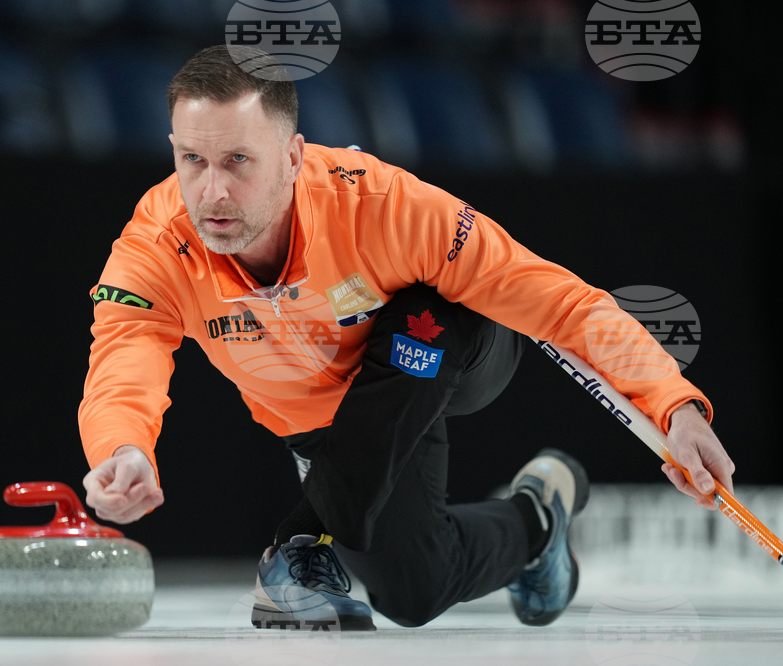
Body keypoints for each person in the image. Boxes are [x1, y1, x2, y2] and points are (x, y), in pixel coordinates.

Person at [79, 45, 734, 631]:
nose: (212, 191)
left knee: (420, 318)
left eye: (238, 162)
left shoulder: (385, 208)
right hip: (334, 421)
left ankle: (300, 542)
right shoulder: (157, 241)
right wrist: (124, 447)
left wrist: (672, 406)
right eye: (193, 160)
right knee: (413, 592)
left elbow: (562, 304)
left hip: (455, 349)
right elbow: (126, 351)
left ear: (293, 155)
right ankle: (540, 516)